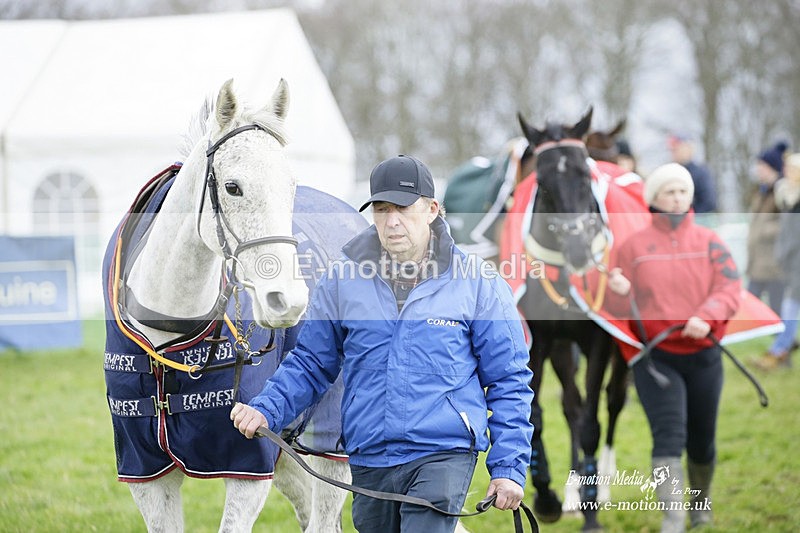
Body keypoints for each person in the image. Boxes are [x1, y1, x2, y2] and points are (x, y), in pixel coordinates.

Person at [231, 154, 534, 533]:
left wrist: (508, 469)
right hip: (368, 451)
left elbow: (509, 381)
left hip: (442, 452)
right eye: (381, 208)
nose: (392, 222)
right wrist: (267, 409)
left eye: (404, 208)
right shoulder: (341, 280)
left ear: (431, 210)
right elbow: (311, 362)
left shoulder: (478, 284)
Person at [606, 163, 741, 532]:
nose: (678, 197)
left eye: (683, 191)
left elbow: (730, 289)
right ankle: (674, 518)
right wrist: (619, 292)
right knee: (668, 435)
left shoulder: (711, 242)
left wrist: (707, 316)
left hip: (705, 355)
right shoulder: (632, 247)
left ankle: (700, 507)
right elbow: (617, 310)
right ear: (654, 199)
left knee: (702, 440)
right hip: (655, 359)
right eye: (670, 192)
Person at [754, 152, 800, 370]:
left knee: (790, 306)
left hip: (794, 262)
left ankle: (780, 350)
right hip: (790, 261)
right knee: (789, 306)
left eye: (793, 169)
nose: (788, 173)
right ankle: (781, 349)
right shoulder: (789, 196)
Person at [746, 141, 789, 315]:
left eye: (761, 165)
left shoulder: (783, 191)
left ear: (772, 167)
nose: (758, 169)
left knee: (774, 307)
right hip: (759, 261)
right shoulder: (762, 191)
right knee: (751, 303)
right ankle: (784, 339)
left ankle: (785, 340)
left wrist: (766, 229)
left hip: (775, 263)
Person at [668, 133, 717, 214]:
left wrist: (689, 218)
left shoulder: (701, 173)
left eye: (677, 149)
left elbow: (709, 202)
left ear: (688, 149)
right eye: (672, 150)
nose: (673, 153)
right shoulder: (670, 172)